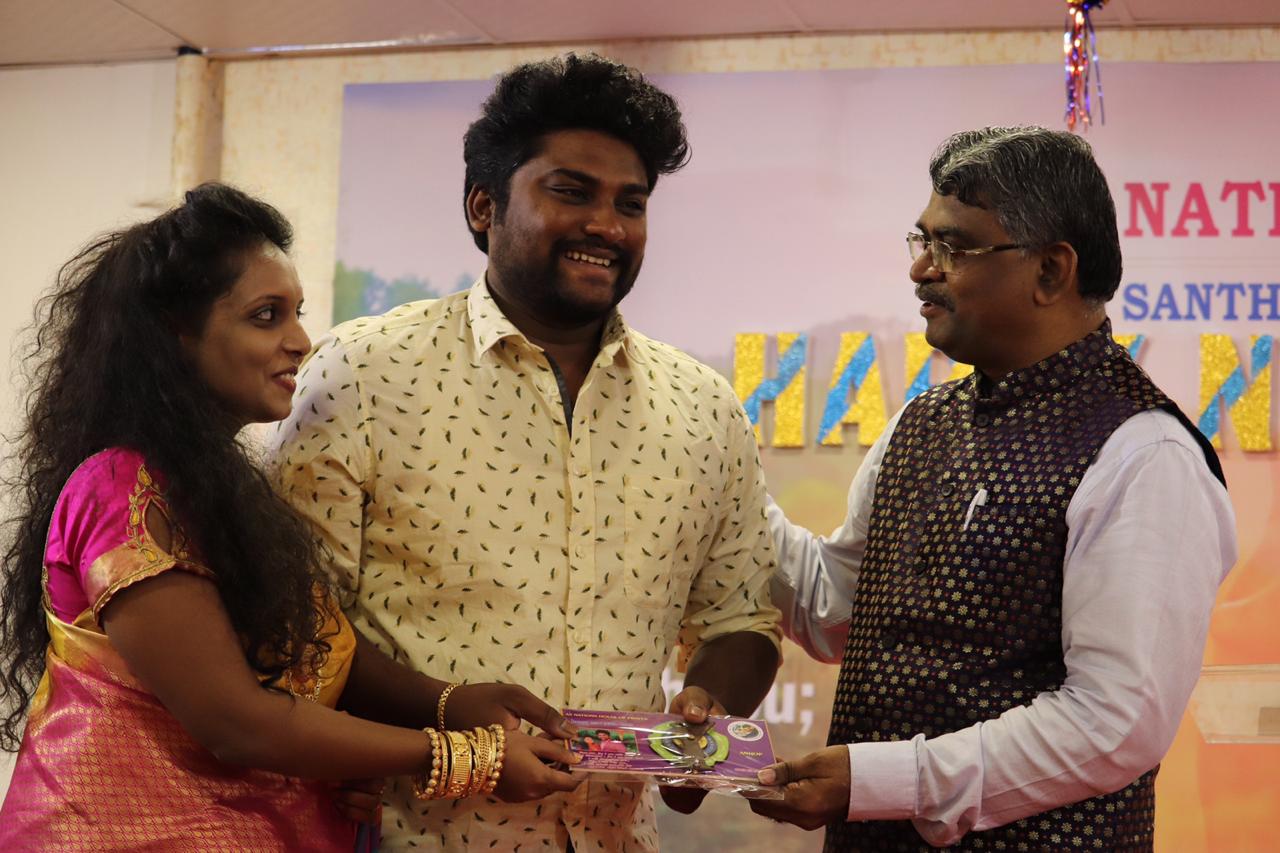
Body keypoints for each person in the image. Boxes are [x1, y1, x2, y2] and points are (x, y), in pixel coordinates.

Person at [269, 53, 782, 851]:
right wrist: (447, 711)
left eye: (631, 203)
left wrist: (709, 705)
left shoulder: (705, 407)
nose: (608, 226)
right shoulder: (363, 372)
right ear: (484, 205)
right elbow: (295, 620)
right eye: (571, 191)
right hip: (408, 836)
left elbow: (741, 616)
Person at [0, 184, 582, 851]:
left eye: (296, 313)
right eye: (265, 316)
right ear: (175, 332)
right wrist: (468, 756)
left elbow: (319, 653)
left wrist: (448, 702)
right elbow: (236, 722)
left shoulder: (222, 490)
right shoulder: (120, 487)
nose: (300, 341)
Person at [750, 127, 1236, 850]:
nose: (920, 268)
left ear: (1051, 270)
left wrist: (883, 779)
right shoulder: (921, 423)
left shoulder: (1144, 452)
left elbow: (1113, 724)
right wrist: (719, 477)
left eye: (954, 246)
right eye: (922, 240)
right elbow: (832, 610)